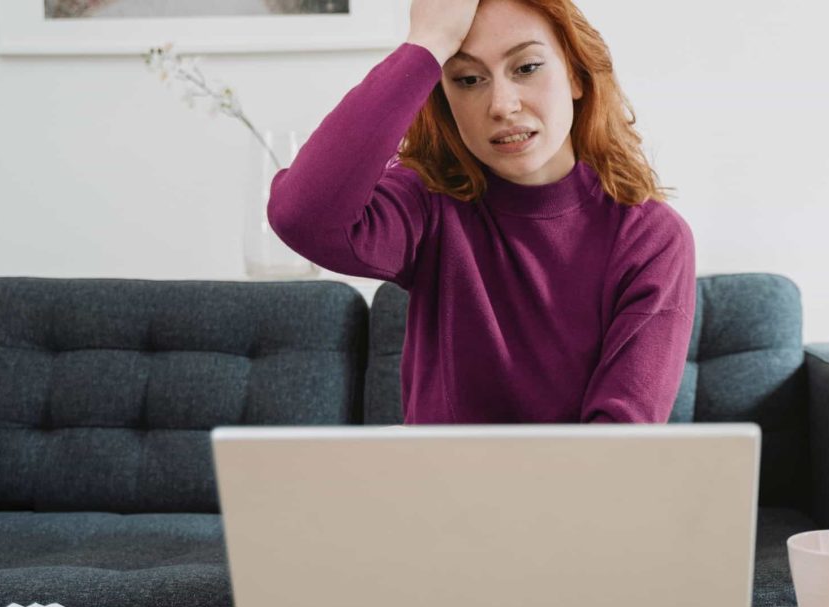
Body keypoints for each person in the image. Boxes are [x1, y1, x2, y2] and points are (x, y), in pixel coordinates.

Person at [267, 0, 696, 423]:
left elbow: (619, 440)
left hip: (576, 474)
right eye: (469, 79)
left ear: (576, 75)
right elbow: (302, 217)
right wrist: (427, 44)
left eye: (527, 68)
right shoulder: (428, 201)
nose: (502, 105)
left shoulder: (650, 239)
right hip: (434, 472)